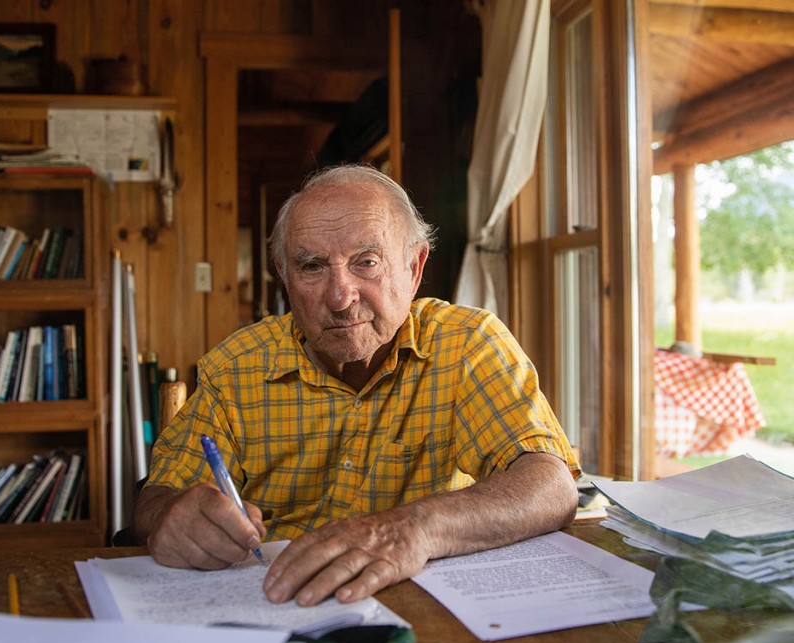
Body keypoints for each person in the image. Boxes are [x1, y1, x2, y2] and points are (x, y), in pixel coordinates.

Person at [134, 164, 580, 608]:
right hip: (271, 604)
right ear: (285, 279)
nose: (340, 296)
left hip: (422, 607)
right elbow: (157, 498)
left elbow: (551, 487)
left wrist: (411, 529)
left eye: (366, 262)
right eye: (312, 266)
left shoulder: (466, 345)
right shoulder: (235, 369)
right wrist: (171, 516)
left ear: (414, 268)